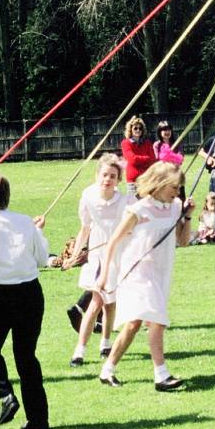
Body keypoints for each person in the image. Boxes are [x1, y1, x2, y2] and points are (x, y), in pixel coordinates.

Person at [97, 162, 192, 391]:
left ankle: (107, 369)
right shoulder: (139, 209)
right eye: (174, 187)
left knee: (133, 324)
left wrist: (187, 217)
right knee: (157, 320)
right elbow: (113, 241)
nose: (177, 192)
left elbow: (183, 241)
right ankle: (161, 375)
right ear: (160, 183)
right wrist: (104, 275)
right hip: (138, 272)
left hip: (161, 272)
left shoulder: (176, 206)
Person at [0, 173, 51, 429]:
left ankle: (5, 394)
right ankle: (38, 419)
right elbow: (41, 258)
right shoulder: (26, 222)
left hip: (3, 295)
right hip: (31, 293)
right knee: (26, 357)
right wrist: (37, 232)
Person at [69, 155, 129, 366]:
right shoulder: (87, 197)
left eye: (113, 176)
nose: (108, 179)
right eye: (104, 175)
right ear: (97, 176)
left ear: (118, 179)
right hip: (97, 257)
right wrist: (75, 255)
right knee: (95, 302)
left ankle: (105, 343)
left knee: (110, 305)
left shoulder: (125, 200)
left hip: (118, 256)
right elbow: (85, 228)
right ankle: (79, 352)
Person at [120, 116, 157, 198]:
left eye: (140, 128)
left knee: (147, 206)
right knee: (134, 206)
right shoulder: (125, 143)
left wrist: (139, 159)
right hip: (133, 181)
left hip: (146, 179)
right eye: (135, 128)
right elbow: (132, 159)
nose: (138, 130)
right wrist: (146, 158)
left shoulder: (147, 143)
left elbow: (153, 160)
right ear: (130, 129)